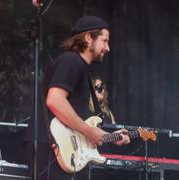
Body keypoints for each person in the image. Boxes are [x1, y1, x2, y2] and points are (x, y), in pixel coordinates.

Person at [24, 15, 130, 180]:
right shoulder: (72, 61)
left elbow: (77, 118)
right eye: (104, 41)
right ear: (88, 38)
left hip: (62, 149)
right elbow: (55, 100)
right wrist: (89, 132)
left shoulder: (78, 66)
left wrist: (108, 136)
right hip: (52, 148)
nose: (108, 48)